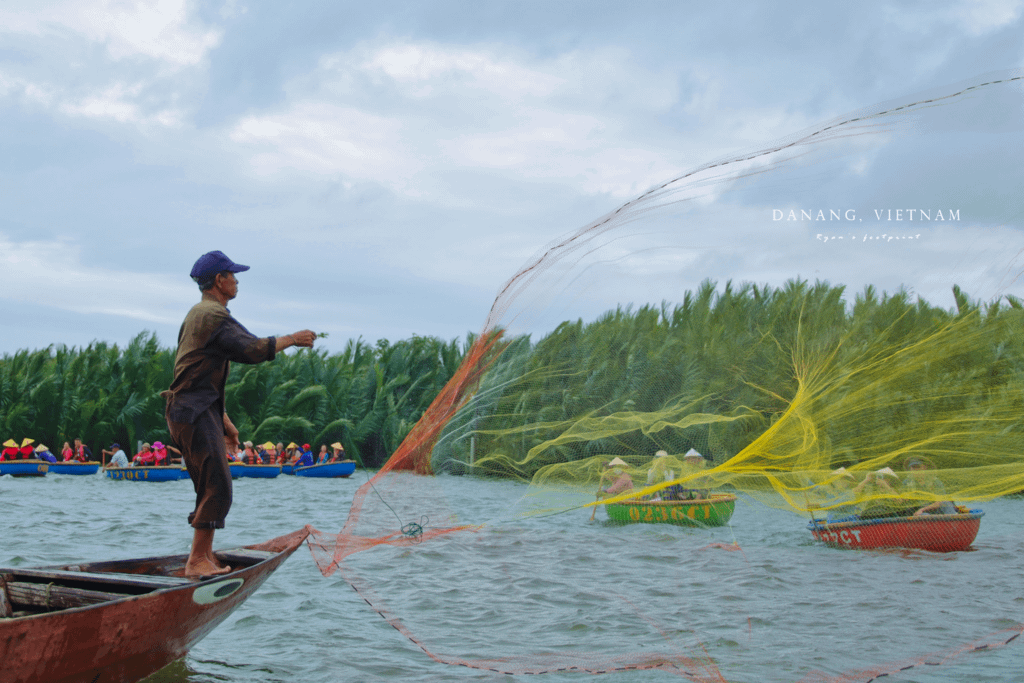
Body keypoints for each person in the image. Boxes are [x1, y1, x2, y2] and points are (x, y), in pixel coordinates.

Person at [162, 250, 315, 578]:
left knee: (210, 483)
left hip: (189, 410)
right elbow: (254, 349)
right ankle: (197, 561)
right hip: (193, 411)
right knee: (218, 483)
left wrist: (226, 424)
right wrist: (293, 339)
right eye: (233, 276)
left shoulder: (198, 314)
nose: (237, 281)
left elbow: (197, 376)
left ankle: (202, 556)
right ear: (219, 280)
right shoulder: (213, 315)